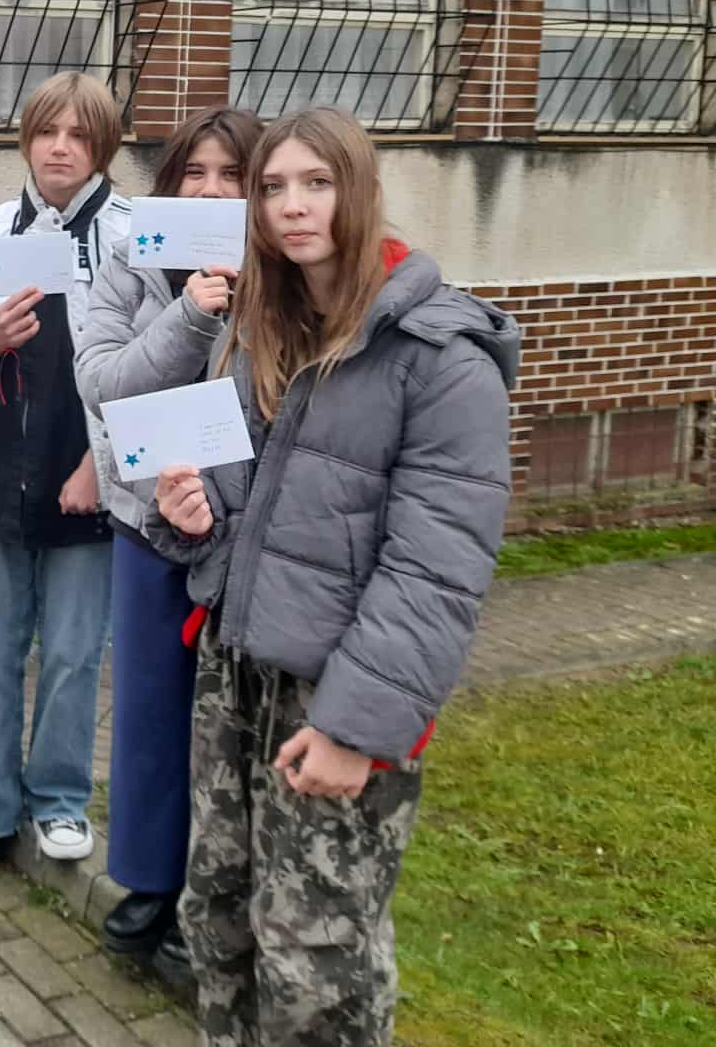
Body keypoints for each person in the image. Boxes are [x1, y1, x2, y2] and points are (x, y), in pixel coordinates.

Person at [147, 106, 517, 1046]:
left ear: (360, 190)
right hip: (235, 674)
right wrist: (192, 515)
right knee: (218, 917)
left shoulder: (440, 359)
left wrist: (355, 729)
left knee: (317, 962)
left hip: (334, 693)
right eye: (273, 187)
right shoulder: (258, 330)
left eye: (316, 184)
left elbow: (436, 570)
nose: (292, 206)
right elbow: (234, 503)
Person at [0, 71, 133, 883]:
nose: (61, 149)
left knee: (75, 653)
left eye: (80, 135)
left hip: (85, 485)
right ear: (27, 140)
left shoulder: (132, 237)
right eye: (48, 132)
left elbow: (163, 357)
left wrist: (100, 463)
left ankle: (59, 799)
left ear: (103, 147)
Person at [75, 106, 262, 974]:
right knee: (152, 710)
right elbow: (103, 379)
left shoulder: (286, 265)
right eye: (196, 172)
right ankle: (151, 879)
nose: (213, 191)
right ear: (170, 181)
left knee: (232, 723)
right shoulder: (132, 256)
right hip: (150, 518)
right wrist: (189, 314)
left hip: (247, 535)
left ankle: (217, 896)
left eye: (234, 175)